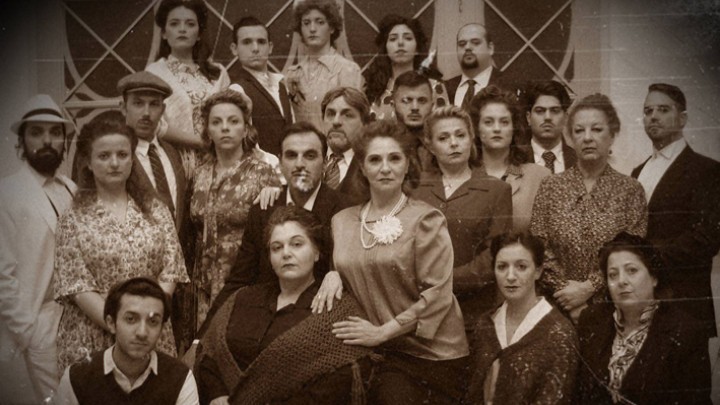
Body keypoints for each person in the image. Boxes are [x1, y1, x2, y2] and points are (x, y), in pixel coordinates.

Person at [318, 119, 469, 404]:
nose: (385, 168)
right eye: (375, 160)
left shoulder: (426, 219)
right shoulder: (341, 221)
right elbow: (349, 267)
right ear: (362, 168)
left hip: (430, 354)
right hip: (375, 350)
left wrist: (381, 333)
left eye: (395, 158)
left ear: (407, 164)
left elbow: (438, 295)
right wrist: (333, 273)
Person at [196, 207, 372, 405]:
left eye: (297, 244)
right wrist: (217, 395)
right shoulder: (242, 298)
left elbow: (342, 378)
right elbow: (208, 354)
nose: (286, 253)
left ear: (316, 252)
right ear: (270, 258)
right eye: (277, 247)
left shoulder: (336, 309)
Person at [195, 121, 351, 341]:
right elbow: (239, 279)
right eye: (291, 155)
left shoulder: (345, 210)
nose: (300, 164)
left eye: (310, 156)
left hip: (319, 324)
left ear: (324, 163)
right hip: (264, 322)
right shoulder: (264, 208)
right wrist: (200, 339)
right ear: (280, 162)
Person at [54, 119, 188, 372]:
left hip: (150, 335)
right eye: (104, 156)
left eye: (122, 155)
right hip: (92, 338)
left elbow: (171, 270)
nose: (114, 163)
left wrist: (147, 320)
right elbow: (78, 287)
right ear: (88, 162)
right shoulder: (72, 218)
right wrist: (122, 325)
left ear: (132, 159)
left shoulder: (157, 211)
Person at [530, 93, 647, 322]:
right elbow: (539, 246)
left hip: (612, 307)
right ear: (570, 138)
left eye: (597, 129)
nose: (587, 138)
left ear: (612, 135)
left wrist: (588, 288)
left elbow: (632, 251)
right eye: (579, 131)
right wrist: (567, 294)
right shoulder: (550, 186)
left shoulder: (630, 190)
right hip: (557, 307)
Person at [0, 95, 76, 403]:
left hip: (76, 320)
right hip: (39, 321)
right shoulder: (7, 193)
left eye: (55, 132)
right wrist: (27, 331)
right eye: (36, 132)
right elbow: (2, 275)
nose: (47, 141)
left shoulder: (70, 189)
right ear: (21, 141)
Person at [576, 232, 711, 404]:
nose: (621, 281)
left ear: (654, 277)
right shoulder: (591, 320)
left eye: (632, 271)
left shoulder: (686, 332)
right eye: (613, 275)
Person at [411, 106, 512, 330]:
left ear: (471, 138)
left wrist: (443, 283)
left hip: (474, 313)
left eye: (460, 135)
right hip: (419, 310)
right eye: (443, 138)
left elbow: (495, 255)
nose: (453, 143)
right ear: (430, 146)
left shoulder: (497, 190)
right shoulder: (415, 188)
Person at [632, 83, 720, 339]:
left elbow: (707, 237)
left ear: (682, 119)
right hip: (639, 304)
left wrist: (648, 261)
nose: (653, 117)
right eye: (648, 111)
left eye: (663, 110)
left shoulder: (707, 170)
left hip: (684, 302)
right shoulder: (637, 172)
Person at [189, 89, 280, 334]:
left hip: (242, 279)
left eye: (233, 121)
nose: (225, 128)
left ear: (245, 128)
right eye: (216, 122)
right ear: (208, 130)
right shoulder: (199, 173)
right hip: (202, 282)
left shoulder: (263, 173)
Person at [465, 232, 578, 404]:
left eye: (521, 267)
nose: (510, 276)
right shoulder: (485, 324)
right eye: (502, 267)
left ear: (538, 271)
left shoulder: (559, 333)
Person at [54, 278, 199, 405]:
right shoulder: (78, 377)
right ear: (111, 323)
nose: (142, 332)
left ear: (161, 328)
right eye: (131, 319)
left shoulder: (179, 378)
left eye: (153, 322)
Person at [147, 0, 230, 177]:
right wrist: (200, 142)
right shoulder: (155, 73)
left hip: (219, 160)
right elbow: (155, 124)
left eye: (190, 24)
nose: (182, 29)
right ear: (164, 33)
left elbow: (230, 115)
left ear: (199, 34)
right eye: (174, 24)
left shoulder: (218, 73)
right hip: (178, 163)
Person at [469, 85, 551, 232]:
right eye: (488, 122)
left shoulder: (540, 177)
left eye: (504, 122)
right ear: (477, 129)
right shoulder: (464, 175)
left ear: (514, 128)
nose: (497, 128)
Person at [284, 0, 363, 129]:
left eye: (320, 22)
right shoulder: (292, 73)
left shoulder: (347, 69)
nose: (312, 29)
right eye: (306, 23)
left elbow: (351, 121)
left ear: (331, 28)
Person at [228, 16, 293, 157]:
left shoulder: (281, 85)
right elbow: (244, 142)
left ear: (270, 47)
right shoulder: (238, 89)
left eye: (261, 42)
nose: (255, 49)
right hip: (262, 166)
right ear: (234, 49)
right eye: (247, 42)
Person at [363, 14, 448, 120]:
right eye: (393, 39)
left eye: (408, 38)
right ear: (385, 48)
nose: (400, 43)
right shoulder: (374, 88)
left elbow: (445, 125)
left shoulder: (434, 87)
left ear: (417, 48)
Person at [321, 86, 371, 204]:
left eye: (347, 115)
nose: (336, 122)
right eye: (330, 114)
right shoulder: (305, 157)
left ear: (364, 124)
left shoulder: (371, 165)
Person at [520, 80, 577, 172]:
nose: (548, 117)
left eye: (555, 111)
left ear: (566, 118)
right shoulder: (514, 160)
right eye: (540, 111)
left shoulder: (580, 160)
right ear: (528, 118)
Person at [446, 23, 505, 110]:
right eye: (462, 44)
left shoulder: (509, 85)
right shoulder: (445, 88)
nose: (467, 47)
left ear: (490, 48)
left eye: (475, 43)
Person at [392, 71, 436, 171]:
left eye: (422, 100)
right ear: (393, 105)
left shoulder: (443, 145)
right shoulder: (381, 147)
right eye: (406, 101)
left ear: (432, 105)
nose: (415, 107)